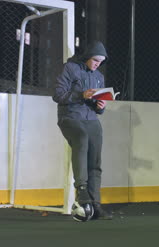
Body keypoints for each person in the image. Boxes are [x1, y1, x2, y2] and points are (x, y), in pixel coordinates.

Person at [53, 41, 112, 220]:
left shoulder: (99, 77)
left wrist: (101, 105)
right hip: (70, 117)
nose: (97, 64)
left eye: (101, 62)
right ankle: (82, 190)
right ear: (87, 57)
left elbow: (98, 109)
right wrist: (81, 95)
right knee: (82, 138)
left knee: (95, 161)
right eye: (95, 60)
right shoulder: (70, 68)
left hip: (91, 119)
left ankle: (96, 205)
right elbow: (58, 95)